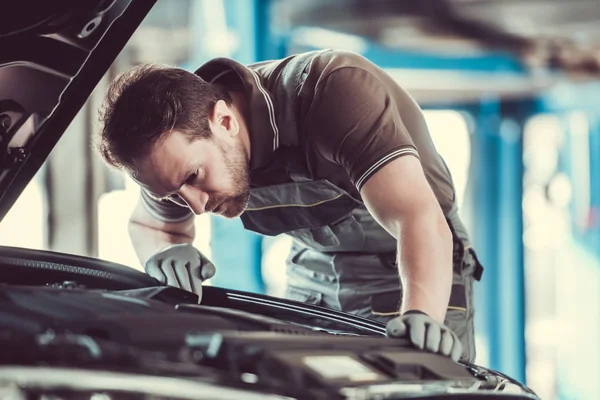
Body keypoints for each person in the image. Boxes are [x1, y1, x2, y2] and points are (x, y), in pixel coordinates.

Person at [97, 49, 483, 362]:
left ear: (225, 121)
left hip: (411, 259)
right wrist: (165, 250)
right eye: (173, 195)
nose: (195, 208)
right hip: (313, 267)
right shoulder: (172, 150)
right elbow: (152, 225)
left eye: (193, 178)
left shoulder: (333, 94)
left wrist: (421, 315)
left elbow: (415, 218)